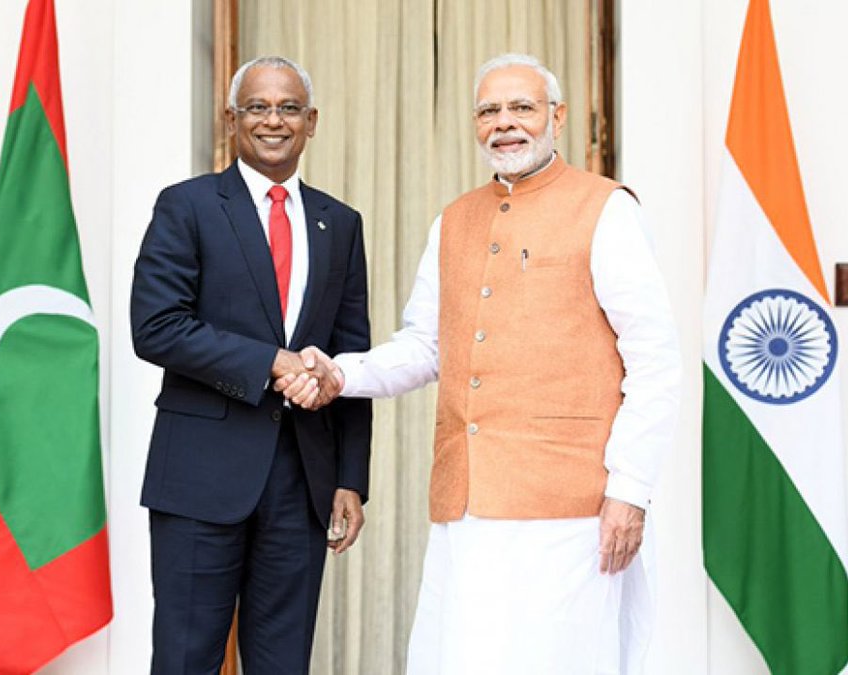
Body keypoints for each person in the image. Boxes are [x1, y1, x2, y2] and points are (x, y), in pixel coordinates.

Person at [278, 53, 681, 674]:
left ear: (558, 116)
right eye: (489, 111)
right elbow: (426, 346)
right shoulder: (453, 221)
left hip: (572, 508)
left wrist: (630, 492)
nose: (505, 123)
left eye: (522, 107)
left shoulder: (607, 209)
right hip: (467, 504)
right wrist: (340, 372)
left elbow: (654, 362)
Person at [131, 56, 372, 675]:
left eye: (289, 107)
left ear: (311, 121)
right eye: (258, 107)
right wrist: (270, 362)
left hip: (303, 483)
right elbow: (155, 326)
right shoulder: (186, 206)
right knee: (186, 661)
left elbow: (351, 353)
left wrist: (350, 478)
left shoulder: (340, 224)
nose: (274, 120)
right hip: (199, 481)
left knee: (283, 663)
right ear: (231, 117)